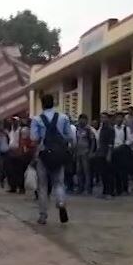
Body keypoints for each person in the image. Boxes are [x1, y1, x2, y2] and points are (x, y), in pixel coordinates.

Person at [30, 94, 72, 225]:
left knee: (42, 186)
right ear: (53, 103)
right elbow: (69, 136)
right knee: (59, 182)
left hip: (44, 155)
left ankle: (43, 216)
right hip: (58, 154)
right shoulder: (63, 117)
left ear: (42, 104)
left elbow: (34, 138)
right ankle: (60, 202)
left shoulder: (37, 119)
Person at [113, 112, 133, 196]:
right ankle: (118, 189)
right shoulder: (113, 128)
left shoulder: (126, 129)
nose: (119, 119)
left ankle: (125, 189)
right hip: (115, 151)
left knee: (124, 171)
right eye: (117, 118)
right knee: (116, 171)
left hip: (123, 151)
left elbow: (130, 140)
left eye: (120, 118)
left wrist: (124, 144)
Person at [95, 112, 116, 199]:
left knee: (108, 174)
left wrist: (109, 154)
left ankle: (110, 192)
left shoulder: (110, 129)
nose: (103, 119)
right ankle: (104, 191)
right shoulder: (102, 128)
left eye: (104, 117)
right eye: (101, 117)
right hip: (101, 153)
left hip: (107, 153)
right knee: (102, 174)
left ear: (108, 118)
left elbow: (111, 143)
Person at [74, 114, 96, 194]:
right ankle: (80, 188)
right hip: (78, 152)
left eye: (83, 119)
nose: (81, 121)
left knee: (87, 171)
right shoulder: (77, 129)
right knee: (79, 171)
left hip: (86, 153)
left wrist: (91, 152)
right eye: (80, 119)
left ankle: (88, 189)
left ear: (86, 120)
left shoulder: (88, 129)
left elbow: (93, 141)